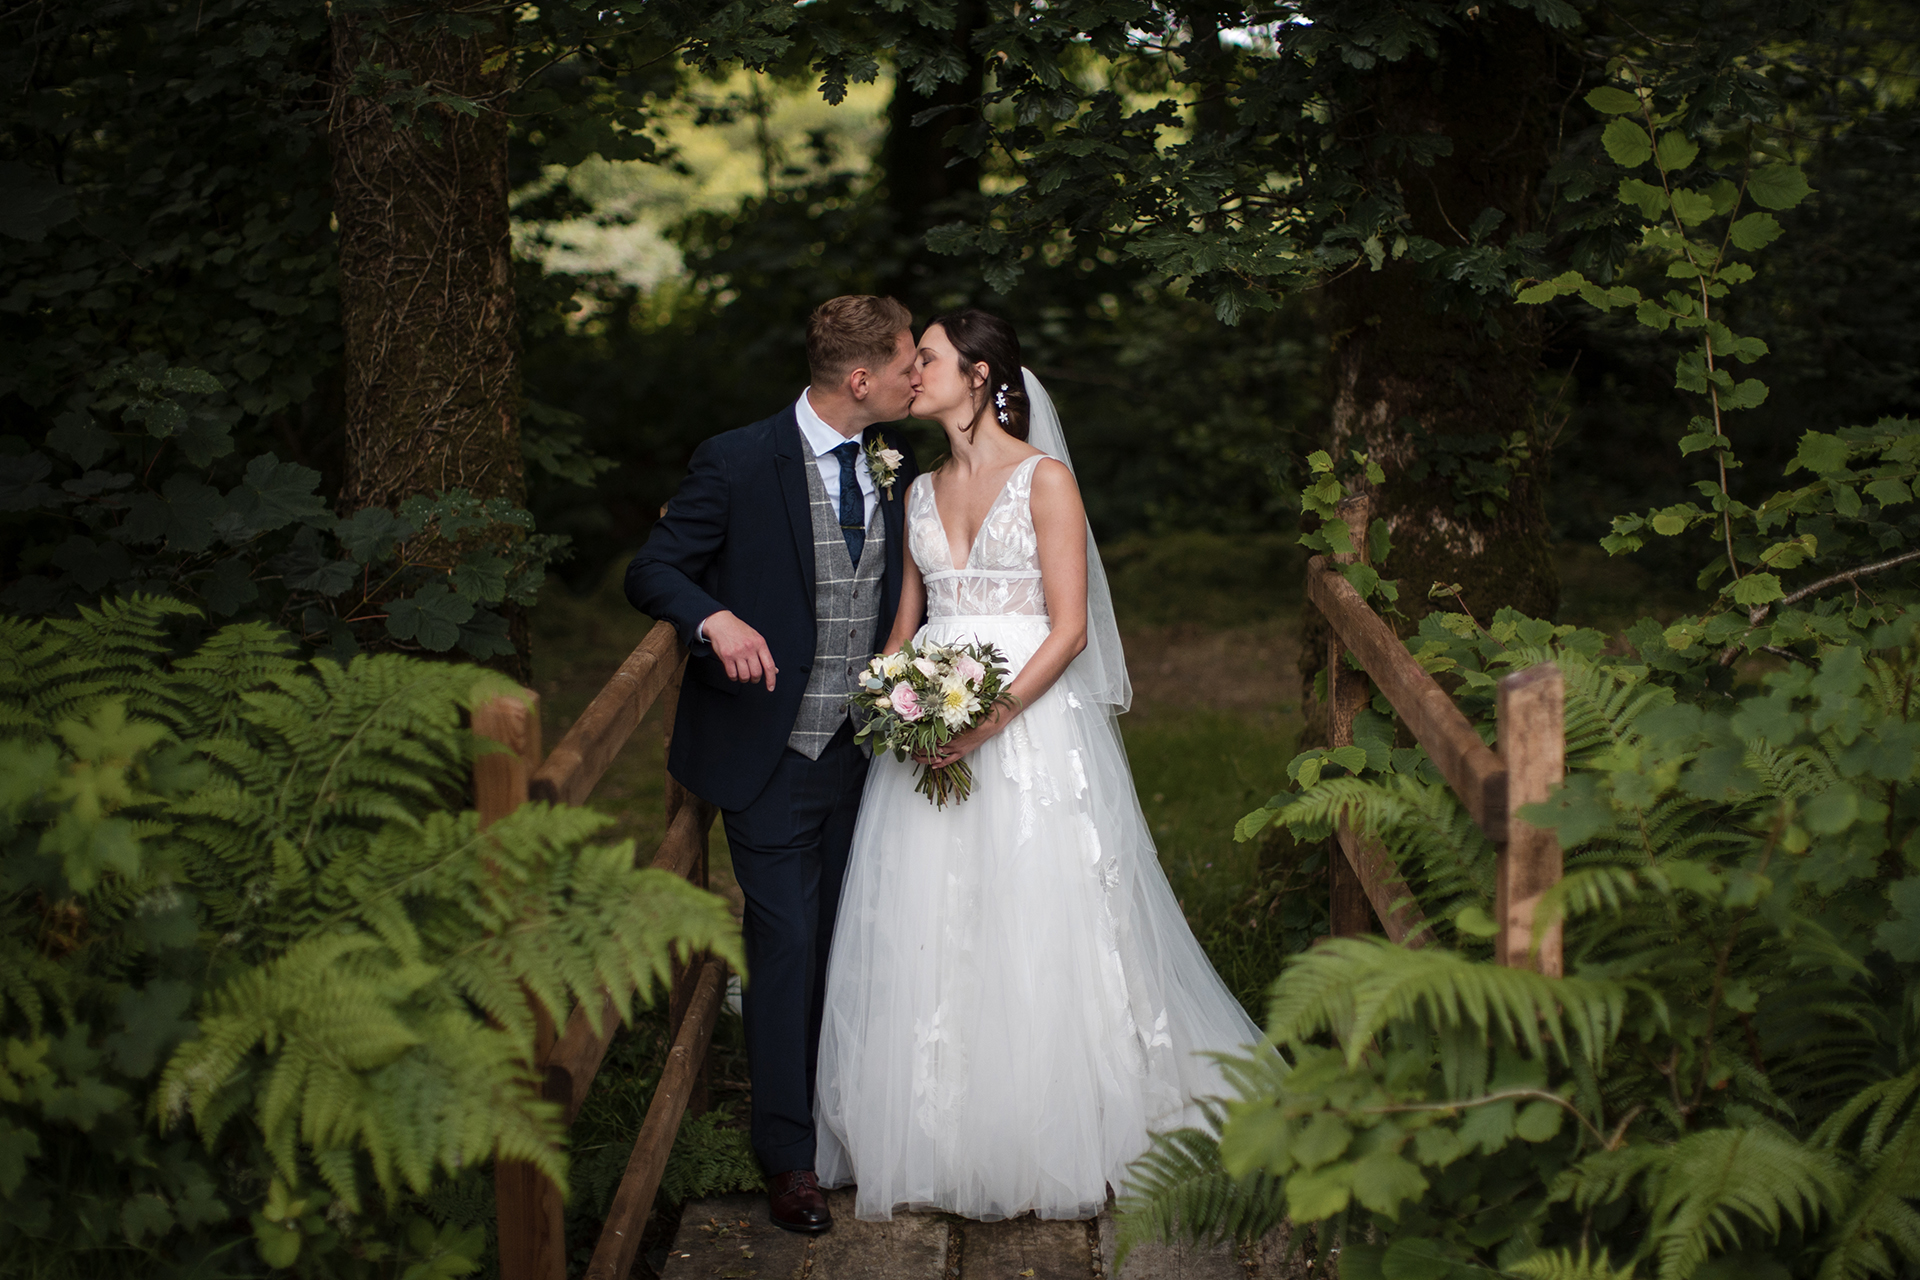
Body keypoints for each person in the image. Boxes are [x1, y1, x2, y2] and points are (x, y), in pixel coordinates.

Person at [814, 309, 1264, 1222]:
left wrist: (986, 723)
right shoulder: (917, 491)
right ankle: (940, 1130)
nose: (914, 372)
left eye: (928, 359)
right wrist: (891, 699)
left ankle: (1067, 1119)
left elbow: (1070, 629)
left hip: (1026, 730)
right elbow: (908, 621)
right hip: (927, 733)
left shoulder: (1046, 482)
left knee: (1040, 912)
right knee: (932, 917)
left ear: (977, 376)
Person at [626, 295, 921, 1235]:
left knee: (847, 940)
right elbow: (653, 569)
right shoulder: (738, 458)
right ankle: (788, 1157)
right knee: (785, 944)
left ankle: (847, 1122)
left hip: (863, 752)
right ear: (860, 380)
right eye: (909, 359)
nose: (922, 371)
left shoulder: (898, 463)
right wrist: (710, 617)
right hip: (768, 754)